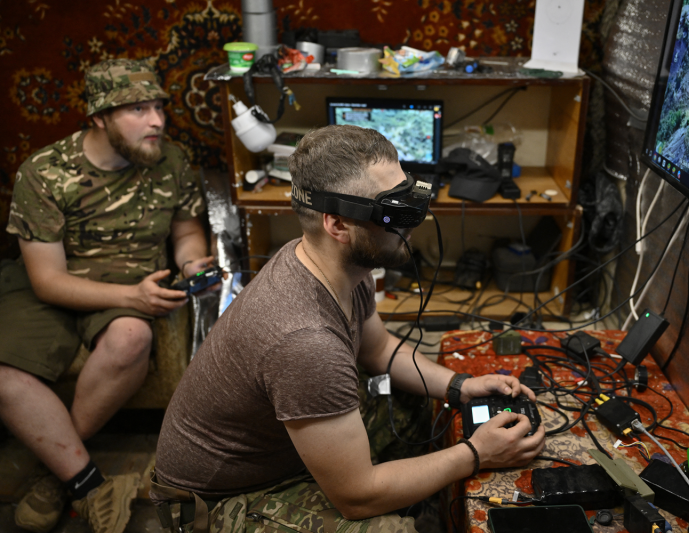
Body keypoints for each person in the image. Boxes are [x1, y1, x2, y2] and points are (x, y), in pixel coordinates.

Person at [151, 125, 547, 533]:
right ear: (337, 225)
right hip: (218, 500)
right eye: (394, 210)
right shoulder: (305, 340)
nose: (413, 222)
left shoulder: (332, 267)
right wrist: (477, 453)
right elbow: (358, 497)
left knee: (420, 405)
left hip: (275, 450)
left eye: (410, 195)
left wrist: (460, 385)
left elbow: (378, 350)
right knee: (391, 531)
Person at [0, 58, 214, 533]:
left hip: (133, 277)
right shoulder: (44, 171)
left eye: (158, 106)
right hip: (53, 283)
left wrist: (193, 263)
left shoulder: (170, 159)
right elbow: (47, 281)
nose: (157, 120)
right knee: (3, 374)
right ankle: (85, 482)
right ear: (98, 117)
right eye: (137, 109)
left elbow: (185, 232)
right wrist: (131, 297)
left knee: (131, 338)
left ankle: (53, 469)